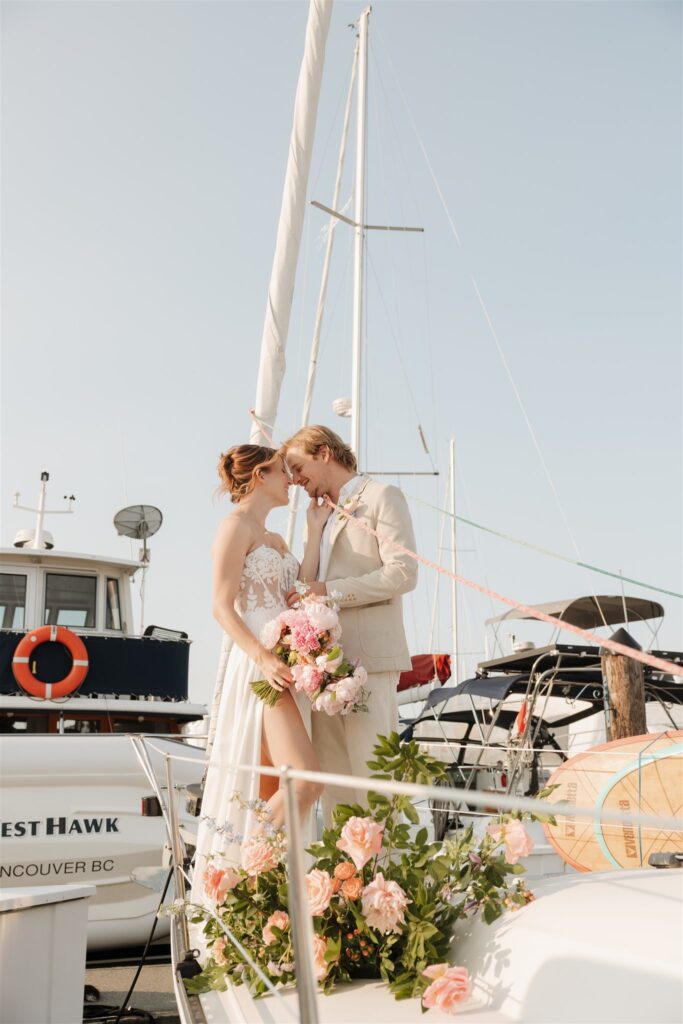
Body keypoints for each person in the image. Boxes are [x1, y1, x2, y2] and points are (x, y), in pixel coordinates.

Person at [191, 444, 330, 903]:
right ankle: (236, 876)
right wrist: (262, 657)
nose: (292, 479)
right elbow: (220, 605)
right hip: (260, 670)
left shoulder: (277, 540)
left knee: (273, 785)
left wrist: (313, 532)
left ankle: (261, 902)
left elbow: (297, 594)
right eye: (284, 472)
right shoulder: (234, 527)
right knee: (307, 781)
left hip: (287, 666)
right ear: (259, 475)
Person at [281, 425, 418, 824]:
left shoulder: (381, 497)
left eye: (297, 466)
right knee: (337, 790)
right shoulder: (317, 514)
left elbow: (403, 573)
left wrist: (332, 591)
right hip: (320, 669)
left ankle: (390, 881)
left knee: (377, 782)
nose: (293, 479)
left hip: (369, 661)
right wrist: (312, 533)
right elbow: (306, 588)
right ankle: (349, 881)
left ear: (323, 452)